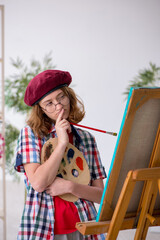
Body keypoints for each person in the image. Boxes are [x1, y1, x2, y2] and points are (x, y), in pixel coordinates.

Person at [14, 69, 107, 240]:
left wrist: (70, 187)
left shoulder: (86, 138)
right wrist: (62, 142)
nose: (58, 106)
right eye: (49, 103)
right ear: (41, 109)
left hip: (84, 227)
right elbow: (39, 184)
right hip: (43, 229)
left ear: (69, 96)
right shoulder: (30, 134)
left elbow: (102, 195)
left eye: (61, 97)